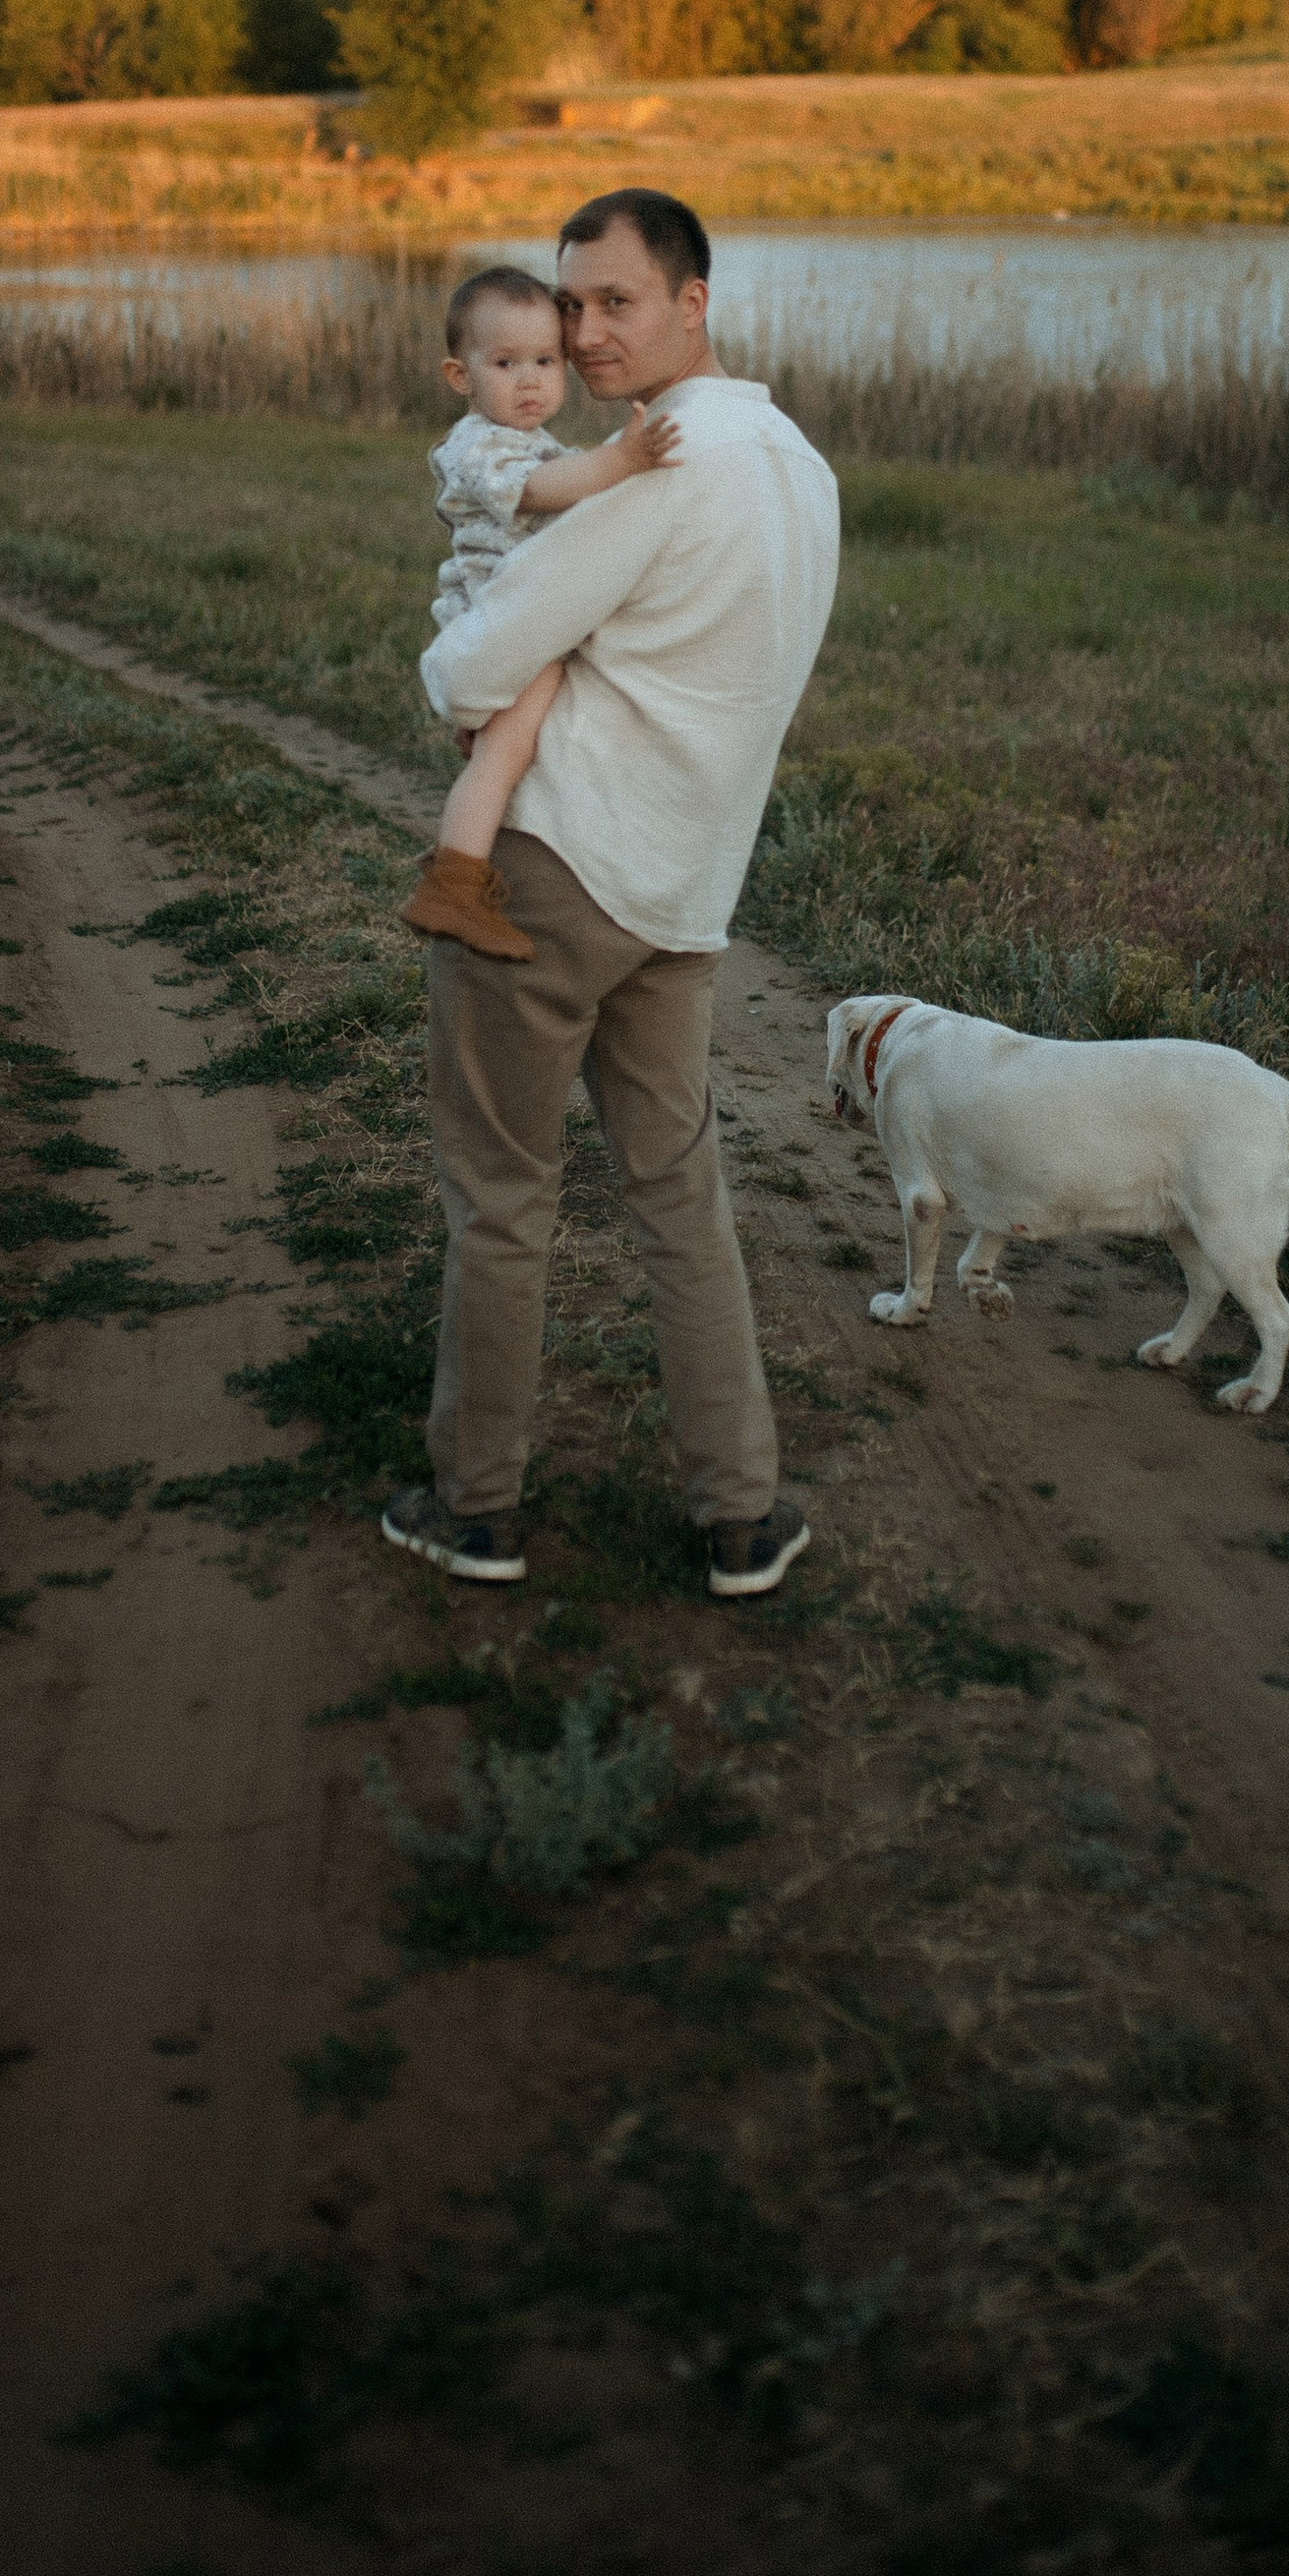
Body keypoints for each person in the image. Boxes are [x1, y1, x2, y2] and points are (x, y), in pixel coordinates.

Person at [381, 189, 841, 1604]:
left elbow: (464, 675)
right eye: (569, 304)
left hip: (552, 874)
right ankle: (740, 1516)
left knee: (504, 1188)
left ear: (693, 300)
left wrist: (463, 648)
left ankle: (479, 1506)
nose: (581, 335)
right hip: (685, 892)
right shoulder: (801, 465)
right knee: (678, 1195)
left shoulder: (659, 466)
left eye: (615, 302)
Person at [398, 262, 680, 961]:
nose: (529, 380)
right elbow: (546, 490)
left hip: (519, 615)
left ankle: (468, 846)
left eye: (546, 360)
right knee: (504, 755)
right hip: (497, 621)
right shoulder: (480, 446)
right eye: (505, 362)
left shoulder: (529, 440)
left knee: (512, 742)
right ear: (460, 376)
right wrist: (624, 458)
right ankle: (454, 881)